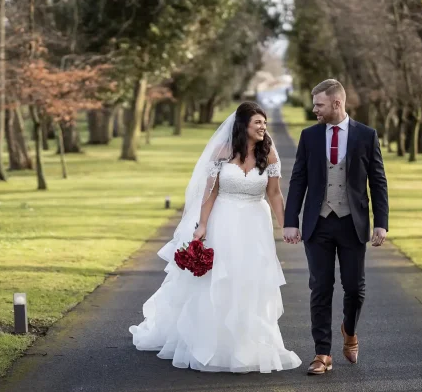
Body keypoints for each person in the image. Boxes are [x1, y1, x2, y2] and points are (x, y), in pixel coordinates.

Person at [129, 102, 301, 373]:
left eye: (264, 123)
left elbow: (275, 194)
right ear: (243, 125)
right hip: (224, 220)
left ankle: (247, 342)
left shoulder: (269, 154)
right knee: (220, 279)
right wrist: (202, 225)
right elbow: (210, 192)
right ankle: (211, 341)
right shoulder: (223, 152)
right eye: (258, 122)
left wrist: (286, 225)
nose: (263, 127)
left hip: (255, 224)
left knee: (250, 280)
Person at [283, 79, 389, 375]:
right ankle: (322, 353)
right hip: (317, 225)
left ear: (337, 104)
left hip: (353, 224)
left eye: (319, 104)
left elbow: (378, 181)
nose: (314, 109)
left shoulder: (366, 136)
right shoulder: (309, 136)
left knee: (355, 288)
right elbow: (298, 180)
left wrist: (381, 223)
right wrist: (291, 222)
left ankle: (350, 330)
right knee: (320, 287)